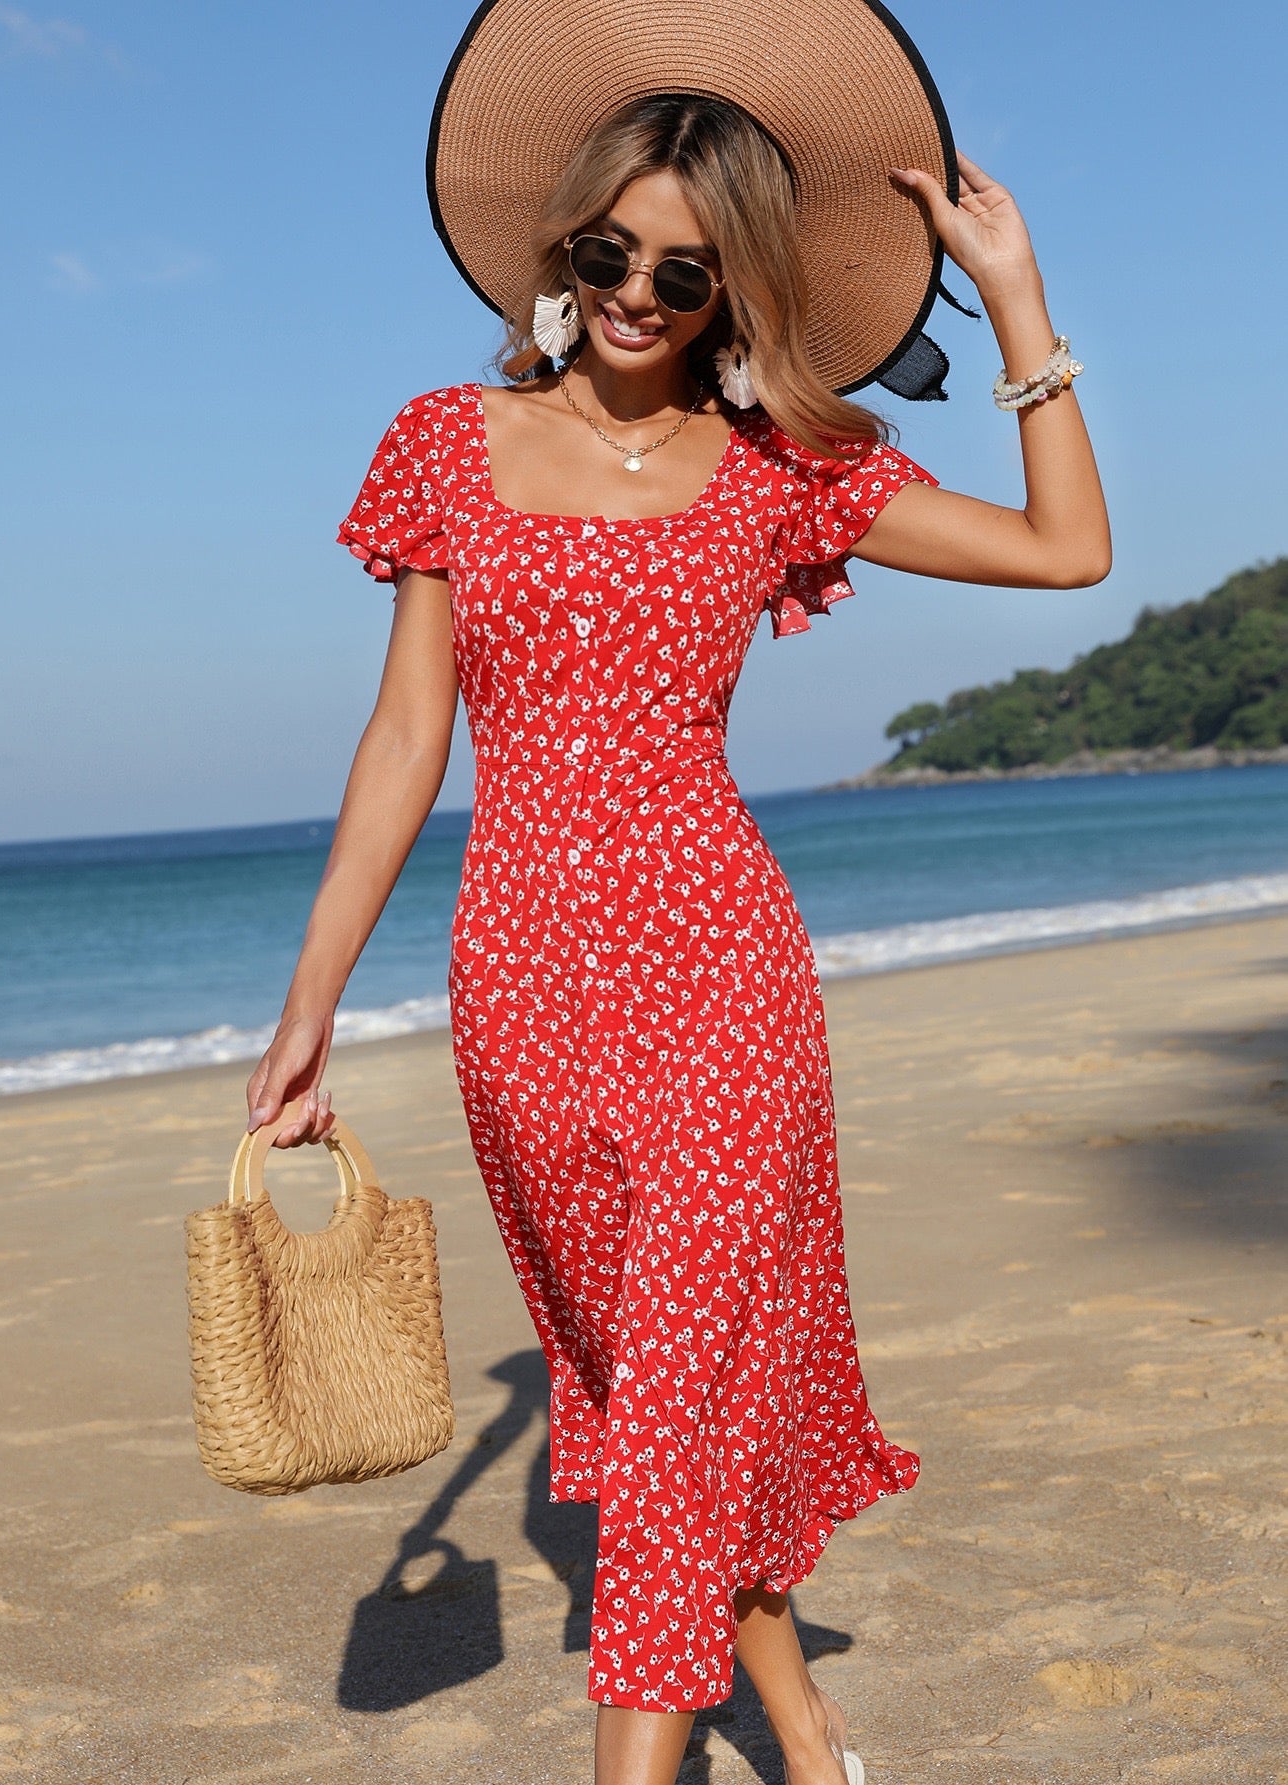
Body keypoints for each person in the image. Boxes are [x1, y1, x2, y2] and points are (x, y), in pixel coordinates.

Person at [244, 5, 1109, 1781]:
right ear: (563, 248)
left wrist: (1017, 304)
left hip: (723, 981)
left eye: (688, 273)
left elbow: (1064, 549)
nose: (639, 292)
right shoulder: (442, 442)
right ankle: (788, 1697)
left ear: (738, 294)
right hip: (524, 998)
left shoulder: (784, 467)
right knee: (658, 1403)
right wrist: (310, 1001)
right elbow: (409, 736)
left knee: (677, 1399)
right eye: (609, 251)